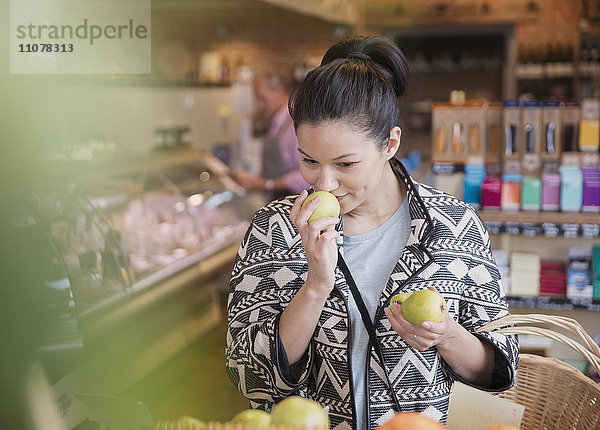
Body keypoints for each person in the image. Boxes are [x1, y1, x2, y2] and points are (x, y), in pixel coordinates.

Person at [226, 35, 519, 429]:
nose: (324, 183)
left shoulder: (453, 225)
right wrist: (315, 285)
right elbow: (247, 375)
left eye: (345, 164)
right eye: (309, 161)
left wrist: (447, 336)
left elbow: (498, 372)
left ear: (390, 144)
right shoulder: (275, 229)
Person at [233, 72, 308, 199]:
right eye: (257, 100)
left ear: (280, 91)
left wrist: (265, 184)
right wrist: (254, 180)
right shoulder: (276, 121)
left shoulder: (296, 121)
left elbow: (306, 176)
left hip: (294, 206)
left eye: (263, 99)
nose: (259, 106)